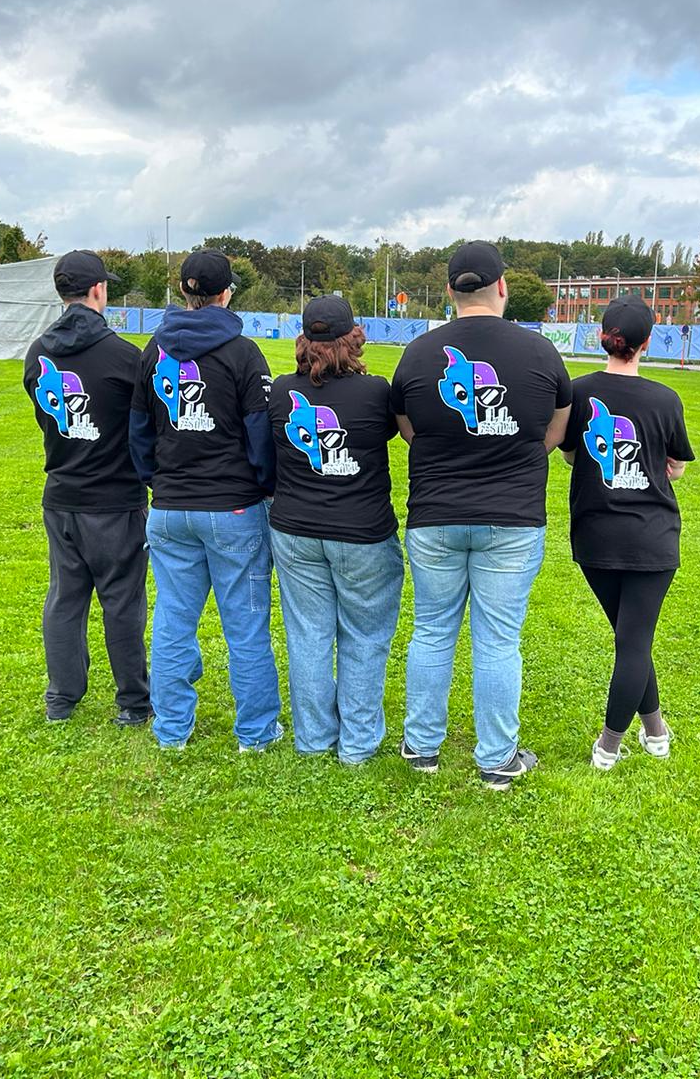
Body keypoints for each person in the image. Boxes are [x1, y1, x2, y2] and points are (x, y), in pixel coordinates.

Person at [390, 240, 572, 790]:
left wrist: (455, 452)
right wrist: (506, 455)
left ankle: (422, 746)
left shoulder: (419, 352)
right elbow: (554, 432)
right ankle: (496, 757)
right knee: (497, 640)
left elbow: (409, 429)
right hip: (511, 517)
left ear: (449, 290)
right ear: (503, 287)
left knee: (431, 631)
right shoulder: (541, 353)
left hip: (435, 513)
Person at [128, 248, 282, 752]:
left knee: (173, 618)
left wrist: (160, 483)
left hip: (172, 507)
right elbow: (260, 437)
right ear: (227, 293)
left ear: (183, 292)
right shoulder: (243, 354)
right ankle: (256, 733)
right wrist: (263, 485)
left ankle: (172, 730)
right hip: (231, 507)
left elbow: (140, 431)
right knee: (246, 623)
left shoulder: (155, 350)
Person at [267, 295, 402, 763]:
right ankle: (358, 744)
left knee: (308, 636)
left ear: (304, 339)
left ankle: (314, 738)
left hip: (296, 532)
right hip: (363, 533)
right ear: (354, 338)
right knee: (364, 637)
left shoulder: (283, 392)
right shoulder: (376, 392)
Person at [561, 295, 694, 770]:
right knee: (633, 641)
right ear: (646, 343)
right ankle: (610, 743)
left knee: (629, 637)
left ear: (603, 338)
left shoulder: (576, 393)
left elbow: (572, 454)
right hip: (651, 536)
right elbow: (675, 467)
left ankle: (655, 729)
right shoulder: (665, 398)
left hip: (595, 537)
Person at [21, 250, 150, 727]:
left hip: (63, 494)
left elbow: (44, 416)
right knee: (121, 601)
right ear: (99, 290)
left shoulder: (39, 352)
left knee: (65, 597)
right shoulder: (124, 357)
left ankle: (62, 698)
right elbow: (143, 428)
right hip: (114, 500)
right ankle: (133, 702)